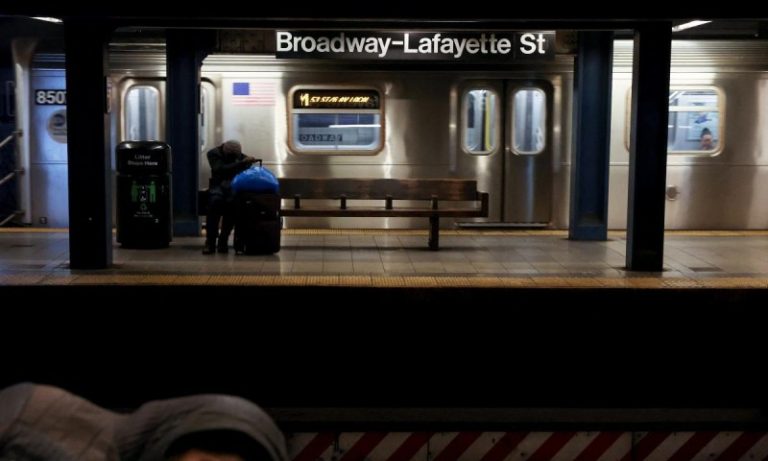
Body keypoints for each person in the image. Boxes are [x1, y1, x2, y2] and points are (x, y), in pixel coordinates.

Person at [203, 140, 257, 254]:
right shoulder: (213, 154)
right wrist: (241, 163)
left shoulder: (240, 156)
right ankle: (210, 241)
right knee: (215, 203)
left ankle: (223, 239)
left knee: (233, 204)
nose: (234, 158)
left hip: (232, 187)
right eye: (231, 156)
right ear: (224, 151)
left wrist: (247, 162)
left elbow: (244, 166)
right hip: (217, 186)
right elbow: (219, 169)